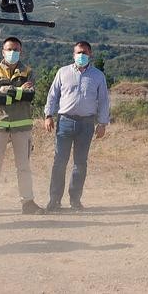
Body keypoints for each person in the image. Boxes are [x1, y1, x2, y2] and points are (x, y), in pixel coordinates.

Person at [0, 36, 44, 218]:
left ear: (21, 51)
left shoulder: (28, 71)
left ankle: (28, 202)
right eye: (9, 49)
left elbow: (30, 96)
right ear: (2, 51)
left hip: (21, 126)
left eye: (16, 49)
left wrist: (6, 90)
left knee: (23, 167)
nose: (12, 53)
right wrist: (19, 91)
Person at [44, 41, 110, 212]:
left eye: (85, 53)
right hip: (64, 121)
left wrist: (102, 123)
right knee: (59, 162)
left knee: (80, 163)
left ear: (90, 55)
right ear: (73, 54)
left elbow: (103, 101)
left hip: (87, 123)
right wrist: (48, 115)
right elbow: (53, 95)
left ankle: (75, 200)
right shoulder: (63, 72)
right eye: (79, 52)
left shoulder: (98, 76)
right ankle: (54, 200)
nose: (82, 56)